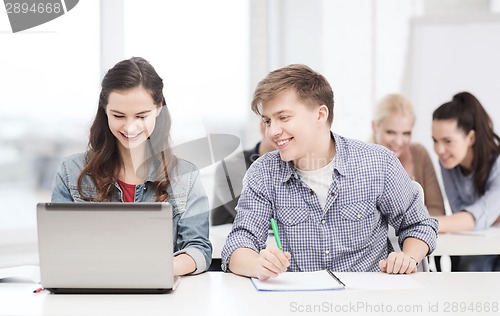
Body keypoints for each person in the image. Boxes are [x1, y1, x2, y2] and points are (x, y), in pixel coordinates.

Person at [221, 64, 438, 280]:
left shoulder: (378, 163)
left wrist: (406, 258)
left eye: (284, 118)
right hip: (299, 303)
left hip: (369, 300)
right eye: (268, 121)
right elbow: (239, 242)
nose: (273, 131)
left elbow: (418, 224)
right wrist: (258, 265)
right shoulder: (263, 172)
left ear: (320, 114)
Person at [51, 57, 212, 276]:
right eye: (118, 116)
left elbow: (198, 249)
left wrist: (162, 269)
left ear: (158, 109)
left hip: (159, 296)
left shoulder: (184, 176)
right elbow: (59, 248)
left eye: (141, 116)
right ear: (104, 111)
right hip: (92, 291)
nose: (130, 127)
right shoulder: (72, 172)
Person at [432, 91, 500, 271]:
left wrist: (427, 223)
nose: (439, 150)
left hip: (492, 244)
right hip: (476, 241)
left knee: (472, 268)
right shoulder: (448, 162)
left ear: (470, 138)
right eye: (435, 140)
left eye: (447, 141)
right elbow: (459, 210)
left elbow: (476, 217)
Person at [372, 93, 445, 216]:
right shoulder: (360, 159)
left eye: (406, 133)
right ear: (375, 127)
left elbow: (437, 210)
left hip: (417, 234)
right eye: (390, 132)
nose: (399, 142)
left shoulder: (419, 154)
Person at [211, 121, 275, 225]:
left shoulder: (295, 166)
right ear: (263, 127)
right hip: (229, 236)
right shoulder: (231, 168)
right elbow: (255, 217)